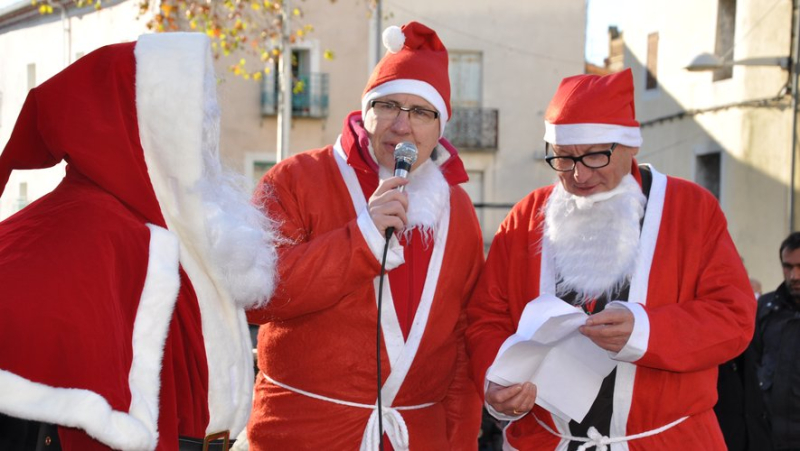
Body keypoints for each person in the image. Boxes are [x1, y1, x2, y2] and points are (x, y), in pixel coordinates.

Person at [0, 33, 278, 450]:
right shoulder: (78, 231)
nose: (205, 129)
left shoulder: (176, 217)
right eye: (189, 113)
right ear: (133, 121)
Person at [465, 68, 755, 450]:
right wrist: (496, 380)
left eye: (595, 156)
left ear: (630, 146)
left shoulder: (691, 210)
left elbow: (733, 317)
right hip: (546, 440)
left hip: (664, 441)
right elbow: (485, 317)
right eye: (564, 159)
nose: (579, 174)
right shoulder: (525, 217)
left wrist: (646, 330)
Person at [245, 22, 484, 450]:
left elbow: (463, 345)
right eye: (388, 105)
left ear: (439, 127)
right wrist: (362, 239)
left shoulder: (459, 209)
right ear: (366, 111)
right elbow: (256, 297)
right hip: (302, 434)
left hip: (417, 437)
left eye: (421, 112)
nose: (402, 125)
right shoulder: (295, 178)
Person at [751, 232, 800, 450]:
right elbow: (752, 366)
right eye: (788, 266)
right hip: (768, 438)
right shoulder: (765, 309)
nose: (794, 275)